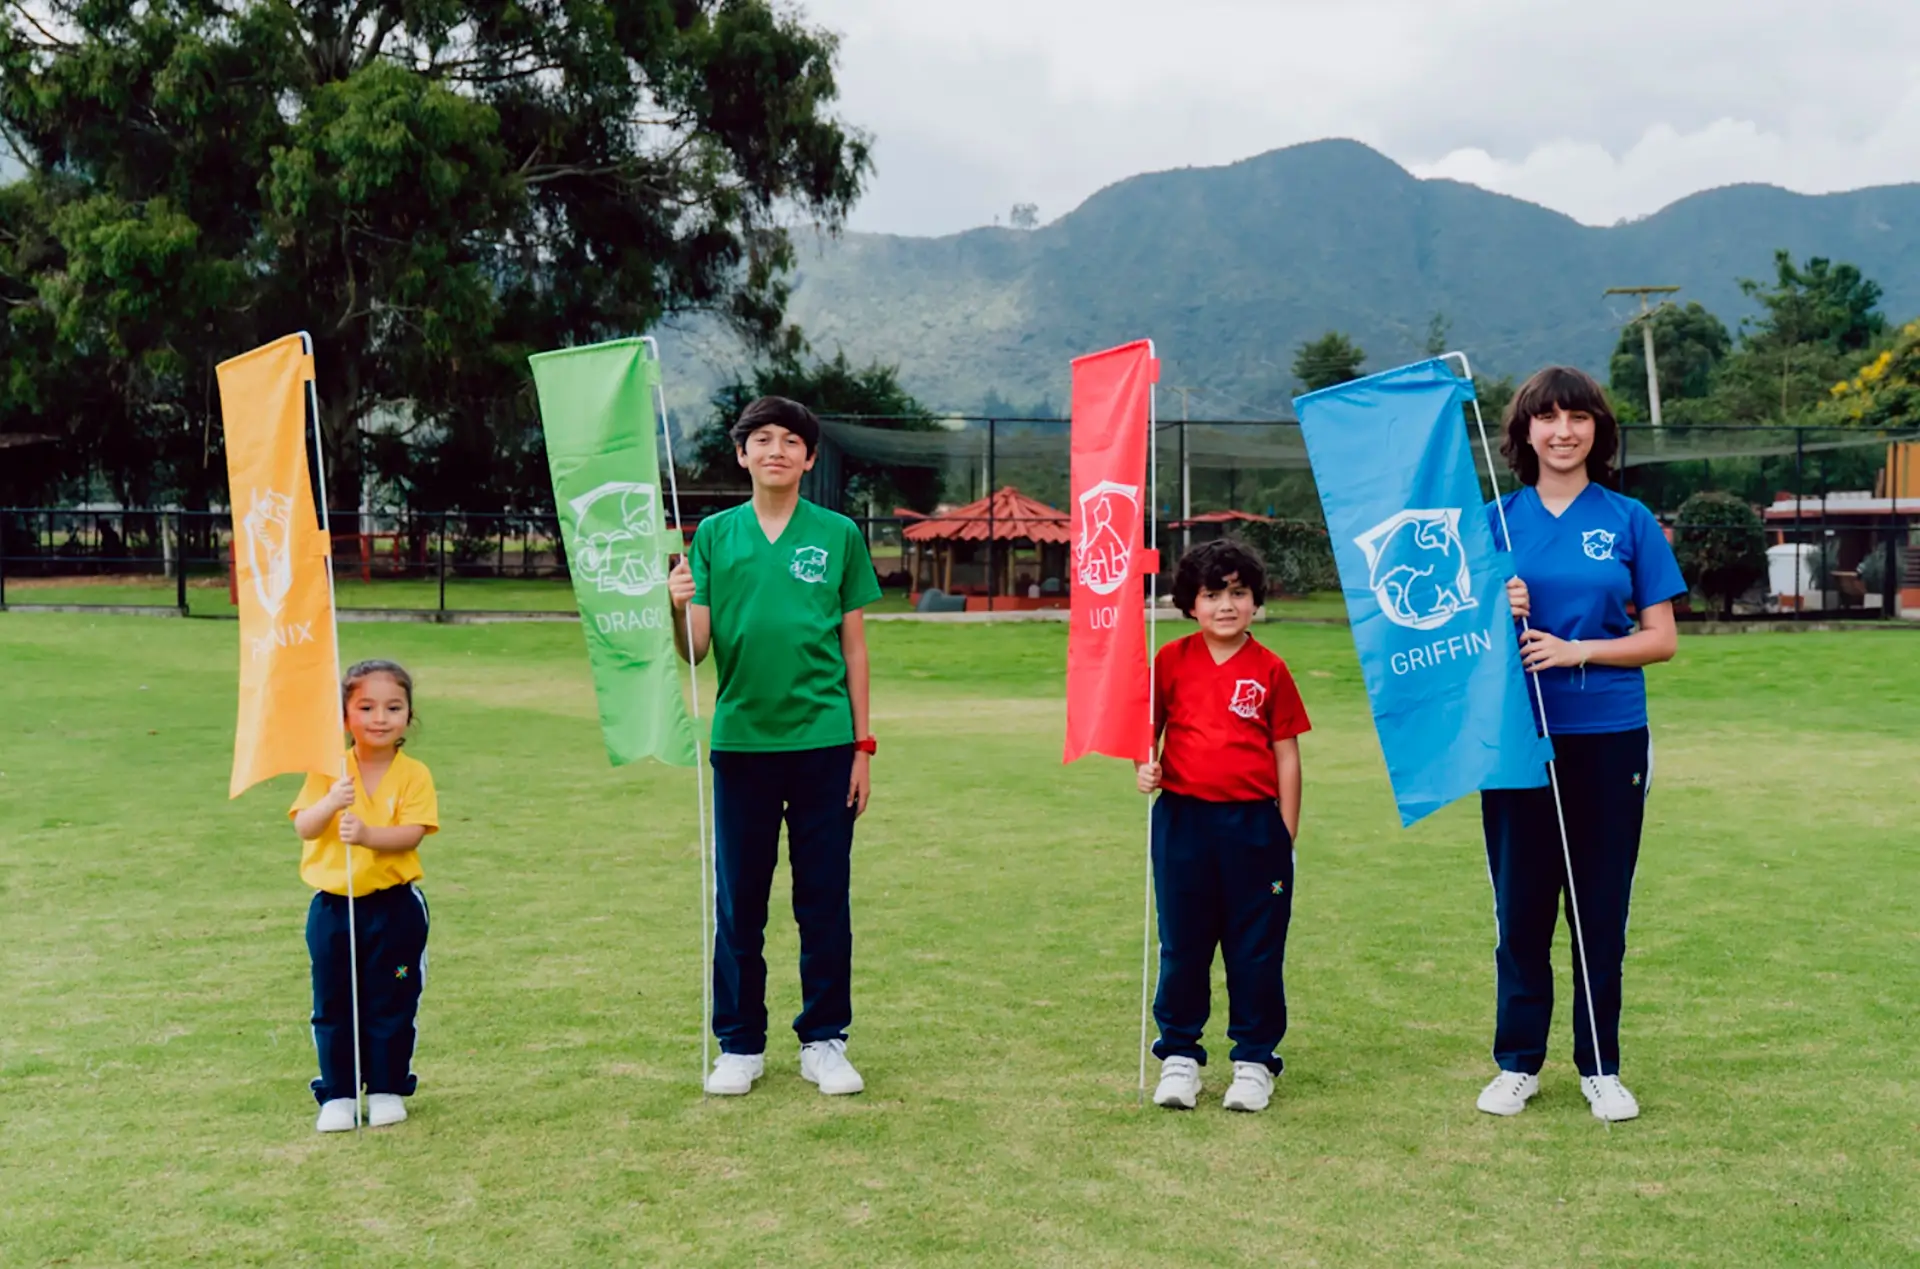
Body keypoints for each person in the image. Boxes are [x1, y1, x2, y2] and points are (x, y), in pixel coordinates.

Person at [1478, 366, 1684, 1124]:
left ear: (1598, 429)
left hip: (1608, 736)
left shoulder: (1629, 518)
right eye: (1548, 417)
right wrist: (1497, 611)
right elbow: (1458, 642)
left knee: (1600, 906)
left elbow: (1661, 639)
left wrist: (1578, 652)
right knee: (1521, 907)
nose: (1563, 430)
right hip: (1516, 739)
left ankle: (1601, 1066)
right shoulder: (1493, 523)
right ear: (1524, 432)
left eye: (1578, 417)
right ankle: (1517, 1063)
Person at [668, 396, 881, 1098]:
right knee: (741, 900)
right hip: (742, 742)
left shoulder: (840, 533)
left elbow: (854, 645)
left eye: (792, 441)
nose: (777, 450)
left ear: (810, 458)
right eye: (762, 439)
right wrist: (677, 606)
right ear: (742, 453)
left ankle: (825, 1039)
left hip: (824, 742)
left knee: (823, 898)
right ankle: (740, 1043)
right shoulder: (714, 537)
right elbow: (695, 651)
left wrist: (862, 745)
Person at [1136, 537, 1310, 1113]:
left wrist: (1284, 833)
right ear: (1191, 604)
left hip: (1255, 828)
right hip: (1183, 822)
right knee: (1183, 943)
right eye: (1212, 595)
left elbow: (1286, 752)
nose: (1226, 606)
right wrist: (1146, 765)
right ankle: (1180, 1056)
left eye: (1238, 593)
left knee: (1255, 949)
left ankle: (1255, 1060)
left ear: (1255, 601)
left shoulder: (1270, 670)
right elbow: (1147, 732)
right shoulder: (1170, 659)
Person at [290, 659, 439, 1133]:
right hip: (334, 910)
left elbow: (413, 833)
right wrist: (331, 802)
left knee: (392, 995)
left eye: (393, 707)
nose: (380, 717)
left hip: (393, 911)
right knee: (333, 1000)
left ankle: (387, 1087)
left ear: (408, 716)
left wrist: (371, 834)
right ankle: (337, 1093)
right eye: (366, 706)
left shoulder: (414, 774)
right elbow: (304, 825)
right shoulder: (329, 772)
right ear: (345, 716)